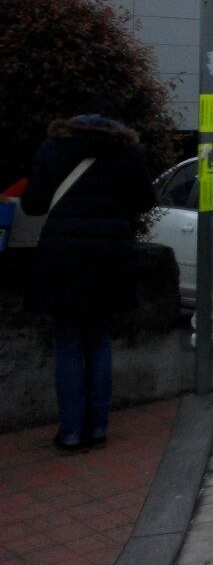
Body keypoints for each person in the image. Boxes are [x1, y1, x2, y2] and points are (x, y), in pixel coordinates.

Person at [22, 110, 155, 449]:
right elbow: (145, 201)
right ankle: (97, 428)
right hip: (110, 256)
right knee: (99, 339)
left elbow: (34, 203)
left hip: (63, 255)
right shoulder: (128, 152)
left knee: (67, 341)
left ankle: (69, 431)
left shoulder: (53, 148)